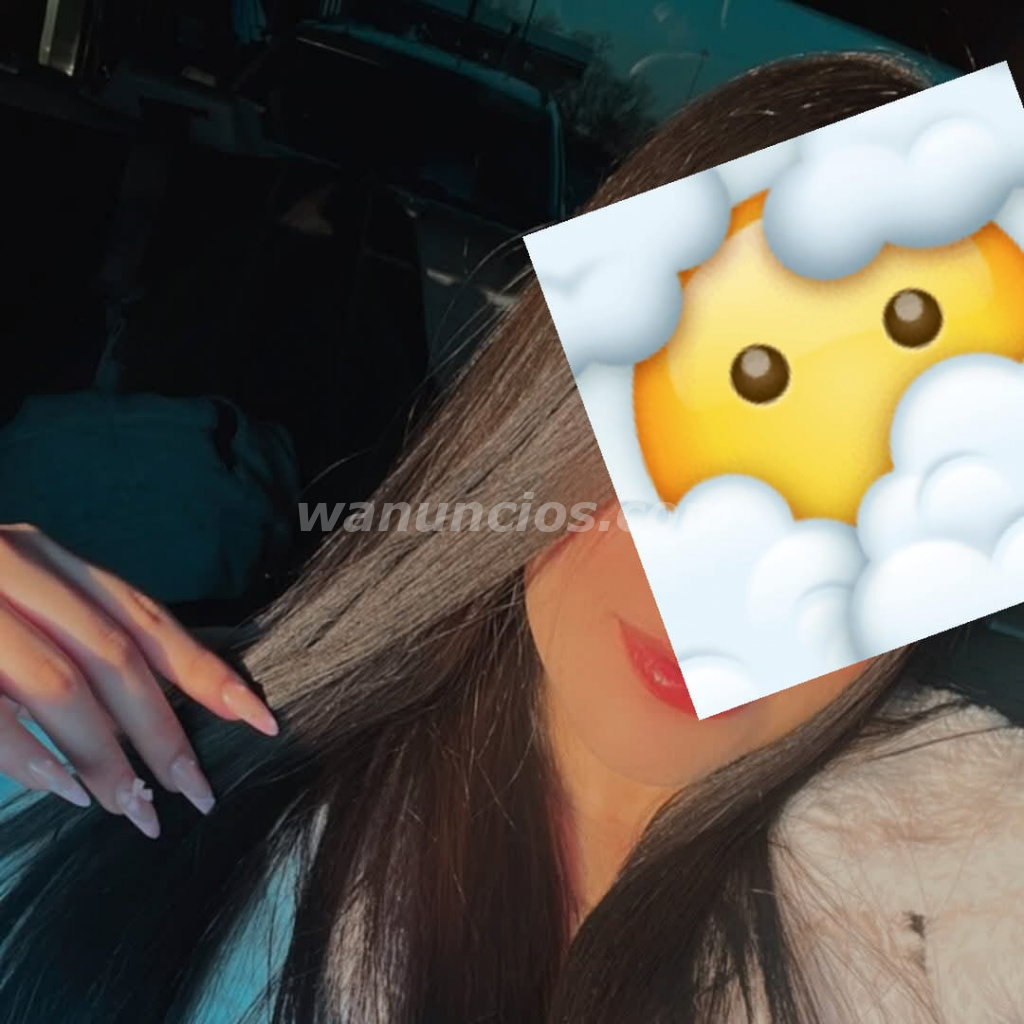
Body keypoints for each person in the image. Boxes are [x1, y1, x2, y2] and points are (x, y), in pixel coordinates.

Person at [2, 51, 1024, 1024]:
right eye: (700, 426)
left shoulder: (970, 916)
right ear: (556, 409)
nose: (738, 575)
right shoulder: (99, 760)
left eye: (879, 492)